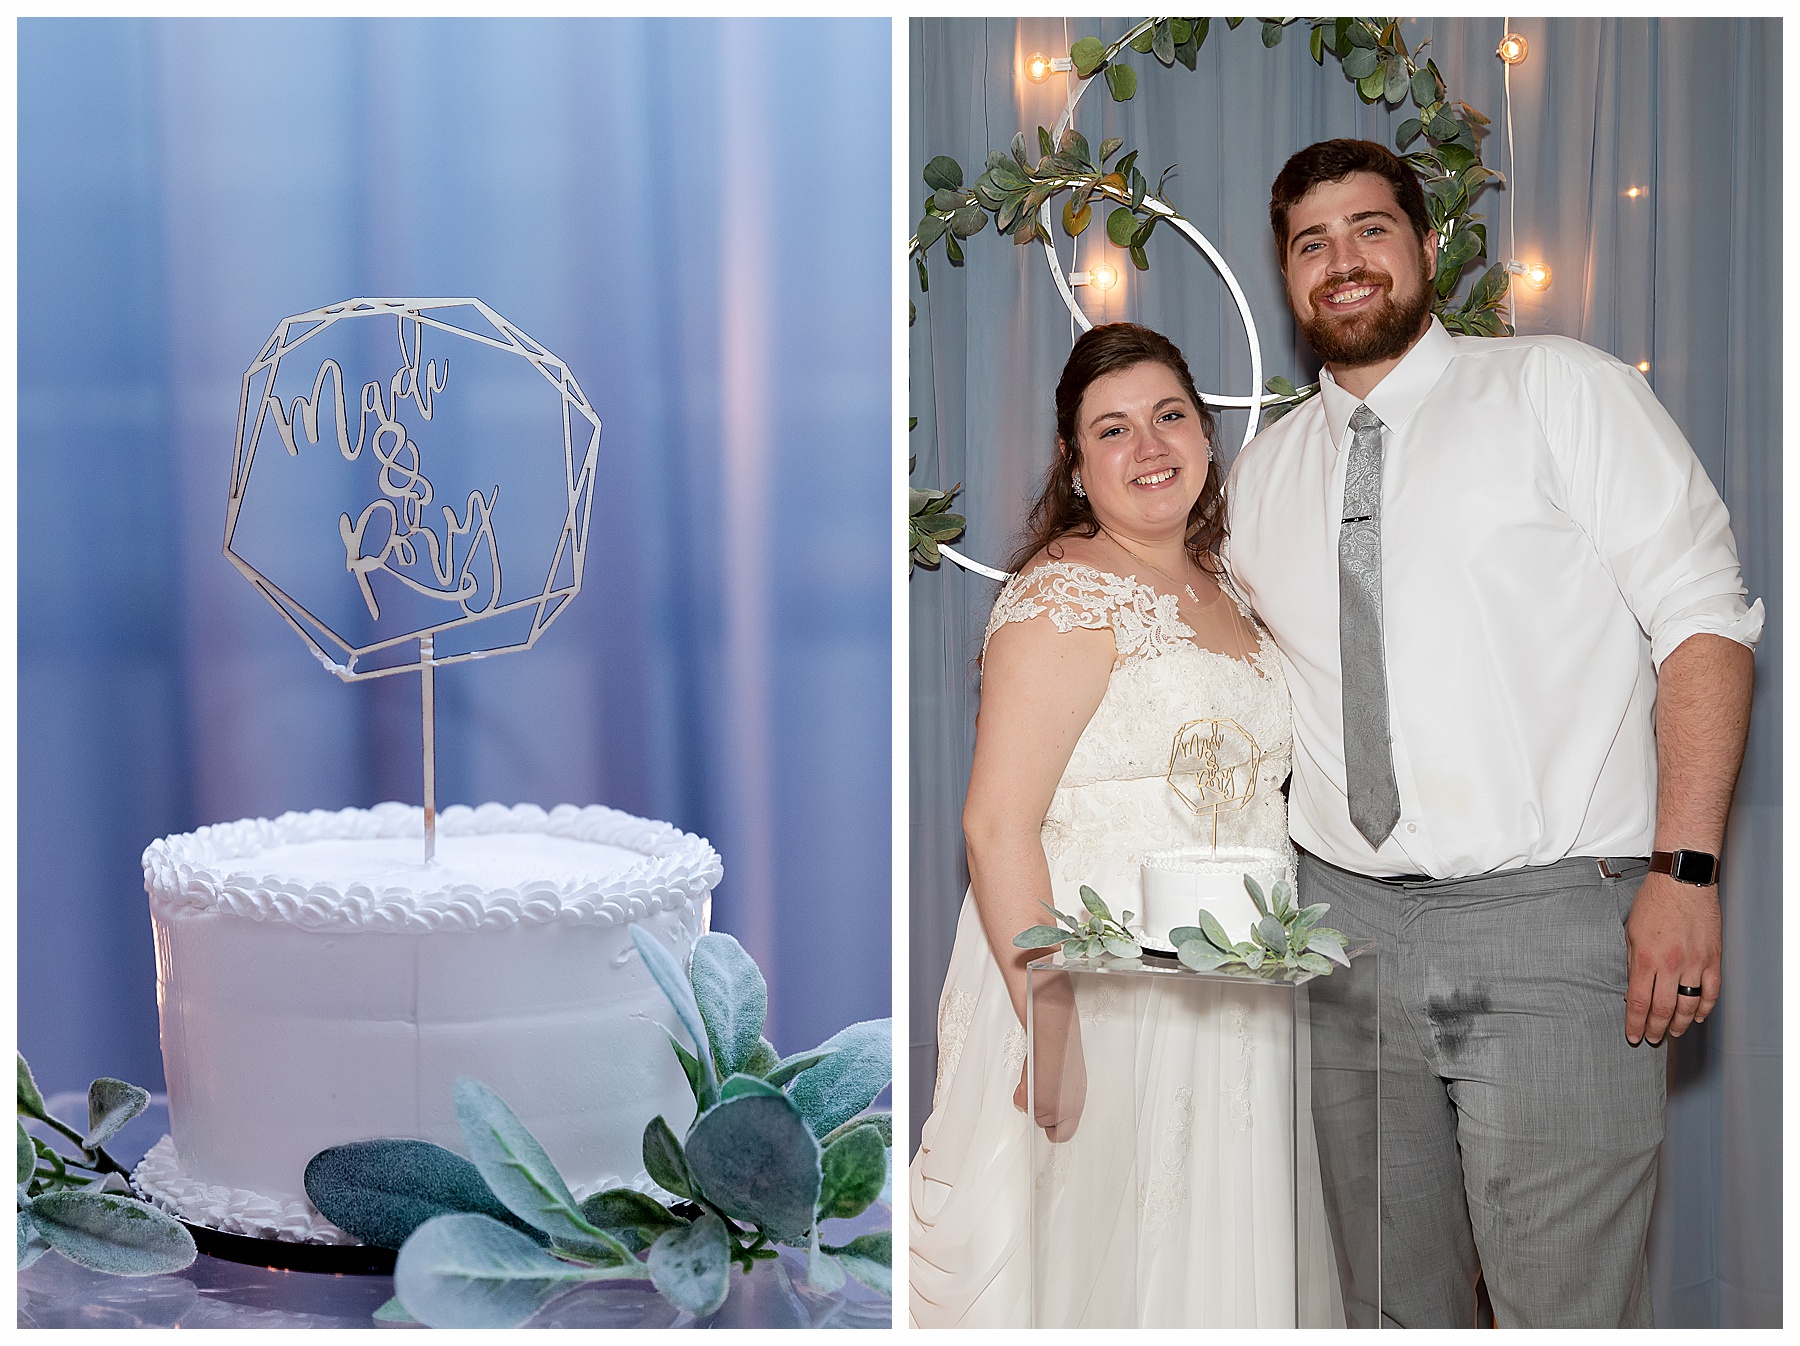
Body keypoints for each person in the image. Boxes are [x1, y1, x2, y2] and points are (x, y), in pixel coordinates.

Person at [1222, 138, 1761, 1328]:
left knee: (1559, 1306)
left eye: (1370, 228)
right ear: (1289, 278)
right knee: (1391, 1305)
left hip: (1551, 924)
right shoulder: (1259, 478)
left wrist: (1686, 869)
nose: (1343, 260)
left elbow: (1707, 624)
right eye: (1311, 243)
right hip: (1341, 931)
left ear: (1424, 246)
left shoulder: (1561, 389)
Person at [908, 323, 1342, 1328]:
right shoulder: (1063, 596)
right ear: (1076, 461)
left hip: (1228, 988)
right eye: (1114, 428)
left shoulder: (1232, 586)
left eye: (1169, 416)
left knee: (1209, 1265)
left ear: (1203, 432)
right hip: (1100, 982)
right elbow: (996, 825)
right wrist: (1050, 1016)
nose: (1149, 447)